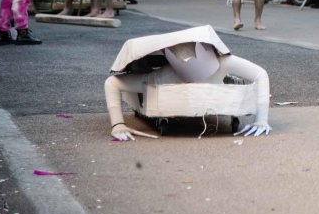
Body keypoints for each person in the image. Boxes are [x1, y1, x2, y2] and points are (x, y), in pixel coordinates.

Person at [105, 26, 271, 141]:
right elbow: (112, 83)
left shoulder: (223, 63)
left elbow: (261, 75)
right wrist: (118, 125)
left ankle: (227, 81)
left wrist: (262, 120)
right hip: (166, 77)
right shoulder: (161, 77)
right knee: (141, 69)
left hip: (198, 75)